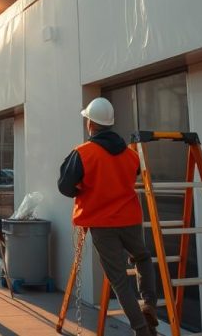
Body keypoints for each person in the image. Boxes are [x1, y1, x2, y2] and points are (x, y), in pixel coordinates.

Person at [57, 98, 158, 336]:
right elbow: (131, 176)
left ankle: (142, 330)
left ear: (91, 123)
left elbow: (64, 186)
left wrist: (82, 189)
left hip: (102, 223)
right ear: (110, 123)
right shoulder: (131, 155)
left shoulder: (83, 153)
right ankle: (150, 304)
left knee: (119, 280)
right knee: (143, 257)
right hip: (130, 218)